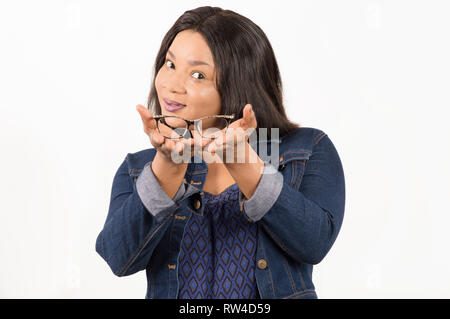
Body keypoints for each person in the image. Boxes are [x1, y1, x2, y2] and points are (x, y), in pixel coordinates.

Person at [96, 6, 345, 299]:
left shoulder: (304, 150)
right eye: (170, 64)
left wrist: (242, 161)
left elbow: (314, 243)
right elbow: (118, 258)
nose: (171, 85)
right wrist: (167, 167)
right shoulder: (140, 168)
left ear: (239, 85)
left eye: (198, 75)